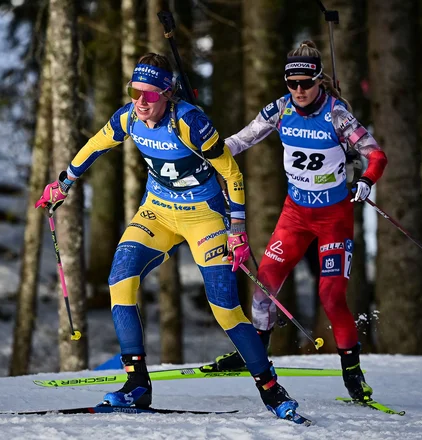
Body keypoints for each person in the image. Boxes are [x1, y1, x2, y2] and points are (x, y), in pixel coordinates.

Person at [36, 53, 304, 421]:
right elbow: (96, 145)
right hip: (158, 212)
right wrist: (62, 183)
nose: (141, 101)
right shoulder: (129, 118)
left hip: (205, 218)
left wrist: (238, 230)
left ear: (168, 93)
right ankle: (137, 385)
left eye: (149, 94)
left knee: (225, 309)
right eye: (135, 92)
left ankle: (271, 389)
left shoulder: (190, 121)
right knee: (120, 281)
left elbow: (232, 173)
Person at [205, 41, 388, 403]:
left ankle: (353, 374)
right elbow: (241, 140)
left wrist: (366, 181)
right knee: (264, 286)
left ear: (319, 79)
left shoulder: (338, 115)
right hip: (295, 214)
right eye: (292, 84)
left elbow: (376, 154)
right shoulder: (280, 109)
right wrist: (205, 152)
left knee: (330, 296)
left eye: (306, 82)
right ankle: (257, 356)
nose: (300, 91)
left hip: (333, 217)